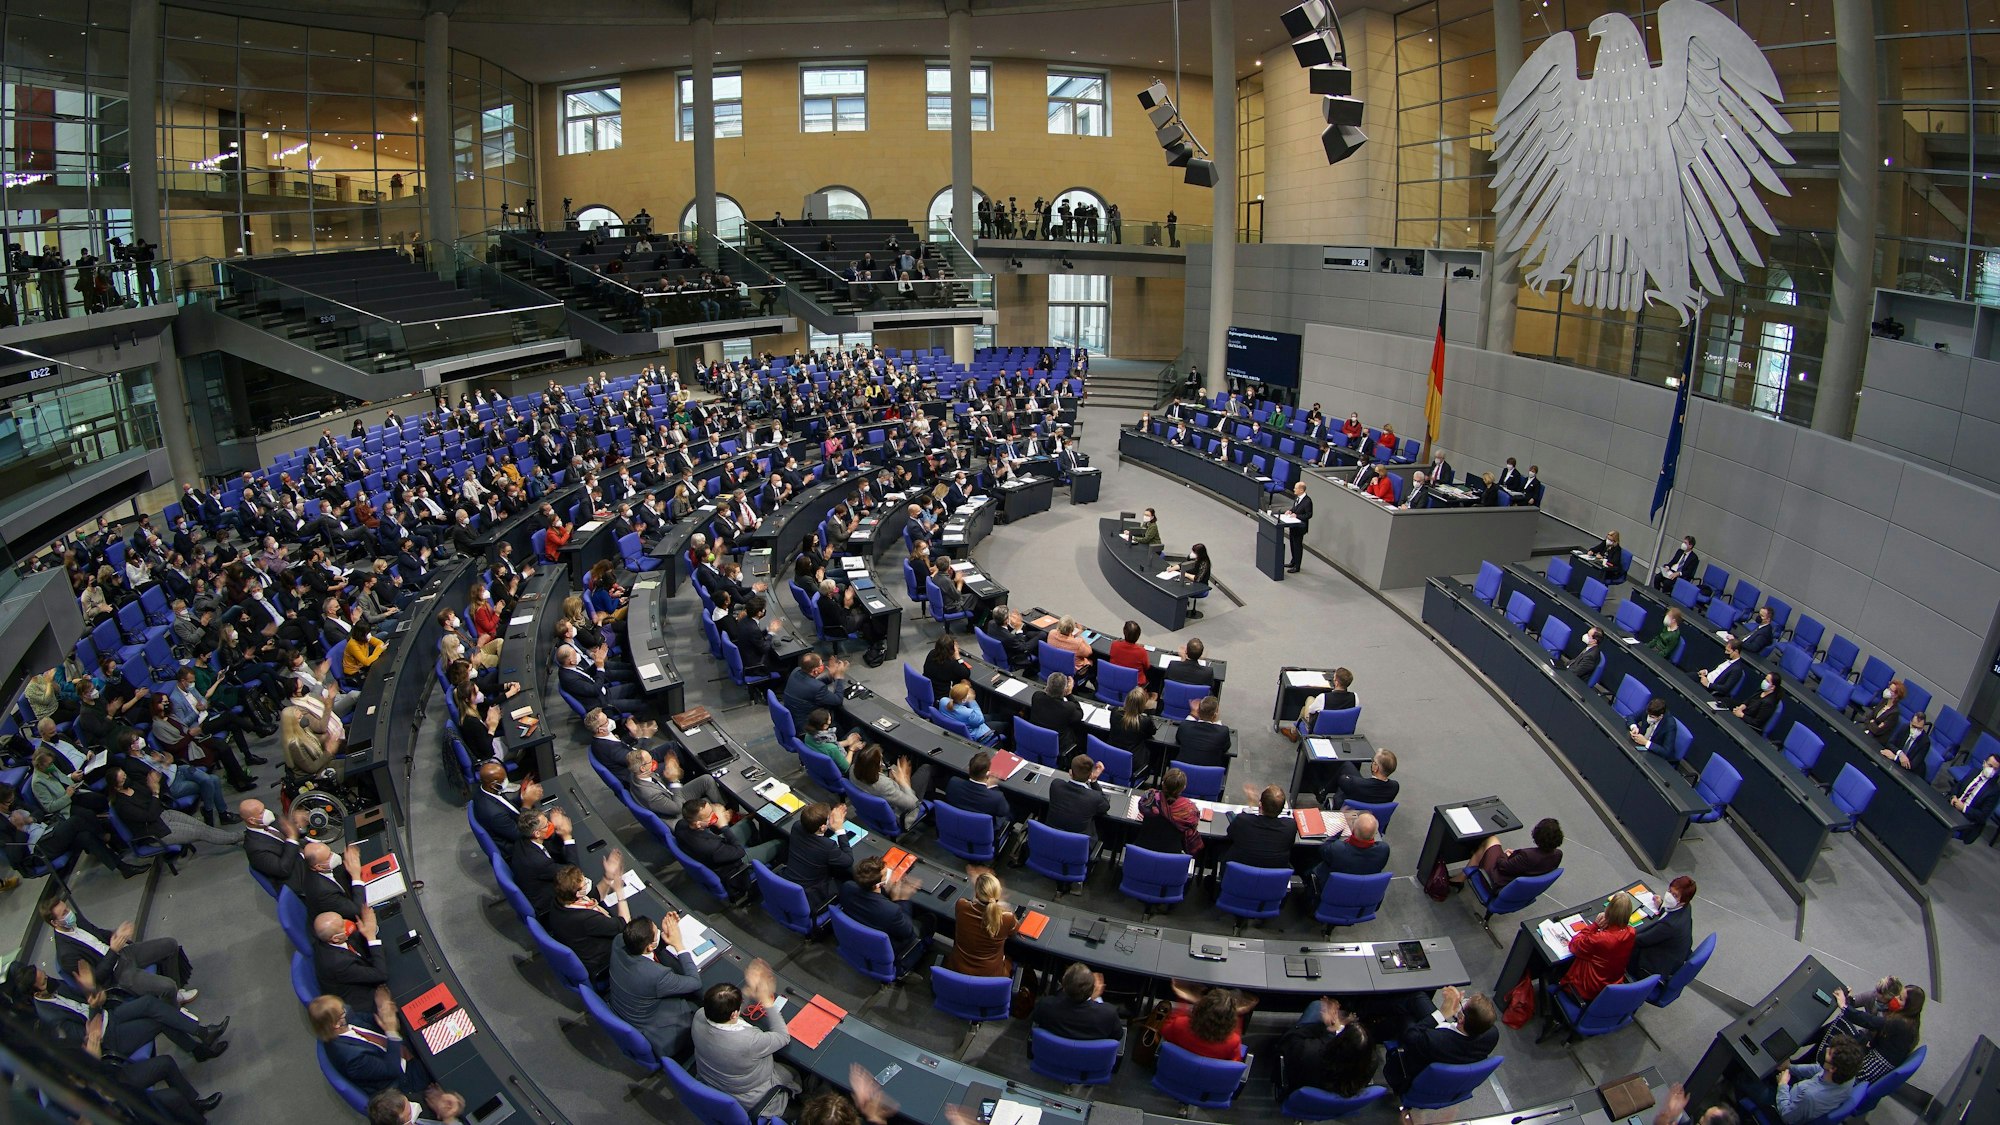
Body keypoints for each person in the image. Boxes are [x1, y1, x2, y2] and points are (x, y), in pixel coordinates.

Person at [691, 961, 797, 1116]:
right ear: (734, 1013)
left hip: (713, 1080)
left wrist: (748, 990)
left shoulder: (700, 1015)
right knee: (793, 1072)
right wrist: (767, 1000)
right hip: (750, 1097)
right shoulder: (749, 1041)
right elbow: (782, 1037)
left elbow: (727, 1013)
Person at [44, 898, 197, 1004]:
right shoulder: (66, 954)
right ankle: (174, 1009)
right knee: (167, 986)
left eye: (67, 908)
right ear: (54, 922)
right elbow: (97, 979)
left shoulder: (75, 920)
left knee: (170, 945)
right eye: (64, 913)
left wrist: (117, 934)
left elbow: (97, 932)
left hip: (122, 952)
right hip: (116, 974)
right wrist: (113, 950)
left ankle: (175, 995)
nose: (69, 913)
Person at [610, 914, 703, 1062]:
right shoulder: (656, 975)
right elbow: (694, 982)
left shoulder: (619, 940)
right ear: (649, 946)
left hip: (626, 1007)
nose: (659, 930)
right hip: (656, 1030)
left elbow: (645, 950)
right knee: (701, 1005)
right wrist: (678, 944)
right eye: (656, 932)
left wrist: (663, 940)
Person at [1382, 986, 1499, 1094]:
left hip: (1416, 1068)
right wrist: (1454, 1010)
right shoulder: (1492, 1034)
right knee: (1418, 997)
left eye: (1464, 1003)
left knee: (1405, 1017)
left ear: (1462, 1018)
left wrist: (1442, 1013)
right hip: (1450, 1044)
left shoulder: (1433, 1041)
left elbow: (1411, 1036)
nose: (1463, 1001)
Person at [311, 993, 427, 1098]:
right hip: (405, 1077)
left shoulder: (347, 1017)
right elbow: (391, 1069)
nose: (345, 1009)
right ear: (336, 1024)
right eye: (342, 1011)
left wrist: (384, 1011)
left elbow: (368, 1020)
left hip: (398, 1045)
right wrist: (391, 1031)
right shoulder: (353, 1059)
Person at [838, 856, 933, 976]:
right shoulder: (891, 910)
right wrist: (901, 899)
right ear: (878, 884)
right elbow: (908, 932)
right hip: (888, 949)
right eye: (886, 872)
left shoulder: (847, 887)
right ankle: (920, 951)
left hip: (858, 935)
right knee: (929, 918)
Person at [674, 798, 782, 898]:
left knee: (747, 822)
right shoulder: (711, 848)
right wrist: (724, 826)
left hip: (719, 847)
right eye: (710, 815)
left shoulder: (681, 825)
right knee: (780, 842)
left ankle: (758, 843)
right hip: (736, 863)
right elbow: (740, 852)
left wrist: (719, 817)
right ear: (698, 824)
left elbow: (710, 834)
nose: (715, 815)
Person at [1279, 998, 1380, 1100]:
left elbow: (1288, 1038)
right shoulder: (1371, 1062)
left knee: (1316, 1005)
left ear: (1339, 1041)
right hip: (1342, 1102)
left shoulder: (1308, 1052)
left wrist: (1329, 1028)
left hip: (1305, 1096)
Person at [1559, 890, 1638, 1003]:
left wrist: (1594, 926)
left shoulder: (1601, 939)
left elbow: (1574, 945)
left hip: (1587, 990)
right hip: (1610, 984)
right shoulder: (1631, 932)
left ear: (1608, 911)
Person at [1767, 1035, 1864, 1124]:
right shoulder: (1848, 1074)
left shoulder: (1810, 1096)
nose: (1826, 1050)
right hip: (1799, 1096)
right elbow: (1818, 1070)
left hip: (1785, 1108)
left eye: (1829, 1053)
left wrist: (1782, 1085)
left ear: (1833, 1068)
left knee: (1755, 1084)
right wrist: (1790, 1067)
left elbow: (1786, 1117)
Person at [943, 870, 1018, 978]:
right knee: (1011, 959)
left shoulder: (961, 905)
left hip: (957, 969)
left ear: (976, 894)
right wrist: (1004, 907)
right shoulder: (1007, 917)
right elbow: (1014, 931)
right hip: (991, 976)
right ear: (999, 893)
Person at [781, 802, 855, 907]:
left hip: (787, 882)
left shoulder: (797, 826)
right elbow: (848, 860)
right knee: (848, 883)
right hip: (808, 894)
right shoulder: (828, 846)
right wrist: (839, 830)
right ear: (822, 827)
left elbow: (816, 837)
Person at [1459, 817, 1563, 889]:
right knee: (1484, 848)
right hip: (1520, 883)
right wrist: (1516, 857)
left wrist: (1506, 855)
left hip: (1500, 881)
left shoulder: (1527, 856)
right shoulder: (1558, 854)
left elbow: (1503, 866)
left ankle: (1460, 878)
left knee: (1491, 839)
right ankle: (1460, 878)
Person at [1161, 981, 1254, 1060]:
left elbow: (1164, 1032)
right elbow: (1234, 1063)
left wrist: (1184, 999)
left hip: (1175, 1073)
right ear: (1231, 1018)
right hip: (1209, 1080)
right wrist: (1239, 1014)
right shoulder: (1233, 1042)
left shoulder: (1180, 1024)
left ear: (1200, 1007)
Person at [1629, 875, 1698, 982]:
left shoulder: (1669, 926)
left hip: (1651, 968)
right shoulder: (1686, 907)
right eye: (1670, 891)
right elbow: (1671, 914)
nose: (1669, 895)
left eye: (1675, 895)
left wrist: (1621, 931)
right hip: (1672, 956)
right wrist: (1661, 906)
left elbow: (1641, 940)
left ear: (1683, 901)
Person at [1031, 962, 1122, 1042]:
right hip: (1088, 1059)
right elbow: (1117, 1036)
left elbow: (1036, 1018)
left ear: (1063, 986)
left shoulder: (1046, 1005)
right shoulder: (1108, 1014)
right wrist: (1094, 1000)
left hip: (1051, 1055)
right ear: (1092, 990)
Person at [848, 743, 931, 830]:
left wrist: (891, 779)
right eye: (880, 760)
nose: (882, 763)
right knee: (926, 768)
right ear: (875, 766)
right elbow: (913, 804)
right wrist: (904, 781)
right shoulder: (884, 785)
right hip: (899, 815)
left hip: (869, 809)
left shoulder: (853, 769)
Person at [942, 752, 1012, 845]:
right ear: (988, 773)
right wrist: (993, 787)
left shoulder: (953, 782)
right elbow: (1004, 812)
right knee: (1011, 813)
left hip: (956, 826)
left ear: (968, 769)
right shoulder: (996, 797)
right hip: (982, 835)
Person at [1224, 784, 1298, 871]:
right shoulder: (1290, 827)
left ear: (1260, 804)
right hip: (1271, 881)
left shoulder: (1242, 821)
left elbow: (1230, 834)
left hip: (1237, 877)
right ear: (1282, 809)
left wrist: (1251, 804)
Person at [1046, 755, 1111, 854]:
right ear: (1090, 776)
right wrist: (1094, 781)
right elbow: (1106, 805)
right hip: (1077, 848)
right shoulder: (1094, 797)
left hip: (1050, 840)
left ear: (1070, 772)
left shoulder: (1056, 785)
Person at [1136, 768, 1201, 856]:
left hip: (1141, 852)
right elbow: (1193, 826)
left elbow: (1142, 809)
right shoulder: (1189, 810)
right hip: (1171, 858)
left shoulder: (1149, 797)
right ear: (1183, 788)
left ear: (1163, 783)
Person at [1314, 811, 1388, 885]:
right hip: (1365, 890)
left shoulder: (1337, 849)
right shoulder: (1384, 850)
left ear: (1353, 830)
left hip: (1334, 887)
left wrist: (1340, 830)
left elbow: (1323, 849)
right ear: (1375, 833)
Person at [1028, 672, 1085, 761]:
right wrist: (1069, 694)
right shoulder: (1069, 707)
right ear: (1064, 690)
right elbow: (1080, 714)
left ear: (1047, 686)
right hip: (1056, 745)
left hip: (1035, 739)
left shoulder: (1036, 696)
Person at [799, 708, 865, 774]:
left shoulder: (808, 736)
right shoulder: (831, 748)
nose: (831, 720)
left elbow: (828, 747)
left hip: (822, 762)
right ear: (824, 726)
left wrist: (847, 742)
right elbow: (846, 767)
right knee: (865, 748)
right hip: (842, 770)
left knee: (857, 730)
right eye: (829, 720)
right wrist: (851, 749)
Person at [1174, 695, 1230, 768]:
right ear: (1215, 714)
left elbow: (1178, 739)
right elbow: (1225, 747)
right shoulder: (1223, 732)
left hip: (1183, 774)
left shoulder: (1185, 726)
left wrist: (1192, 714)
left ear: (1198, 711)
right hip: (1207, 776)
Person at [1332, 748, 1399, 808]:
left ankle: (1322, 794)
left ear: (1375, 768)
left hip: (1350, 813)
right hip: (1374, 816)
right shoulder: (1395, 787)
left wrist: (1349, 778)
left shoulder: (1355, 784)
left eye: (1373, 761)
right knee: (1347, 765)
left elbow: (1342, 780)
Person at [1281, 480, 1313, 572]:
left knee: (1297, 546)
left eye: (1296, 488)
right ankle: (1293, 561)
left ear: (1301, 490)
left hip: (1300, 527)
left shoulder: (1308, 501)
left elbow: (1309, 515)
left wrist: (1297, 516)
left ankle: (1297, 566)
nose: (1294, 489)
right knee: (1292, 544)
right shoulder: (1298, 498)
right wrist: (1291, 511)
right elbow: (1295, 508)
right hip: (1293, 526)